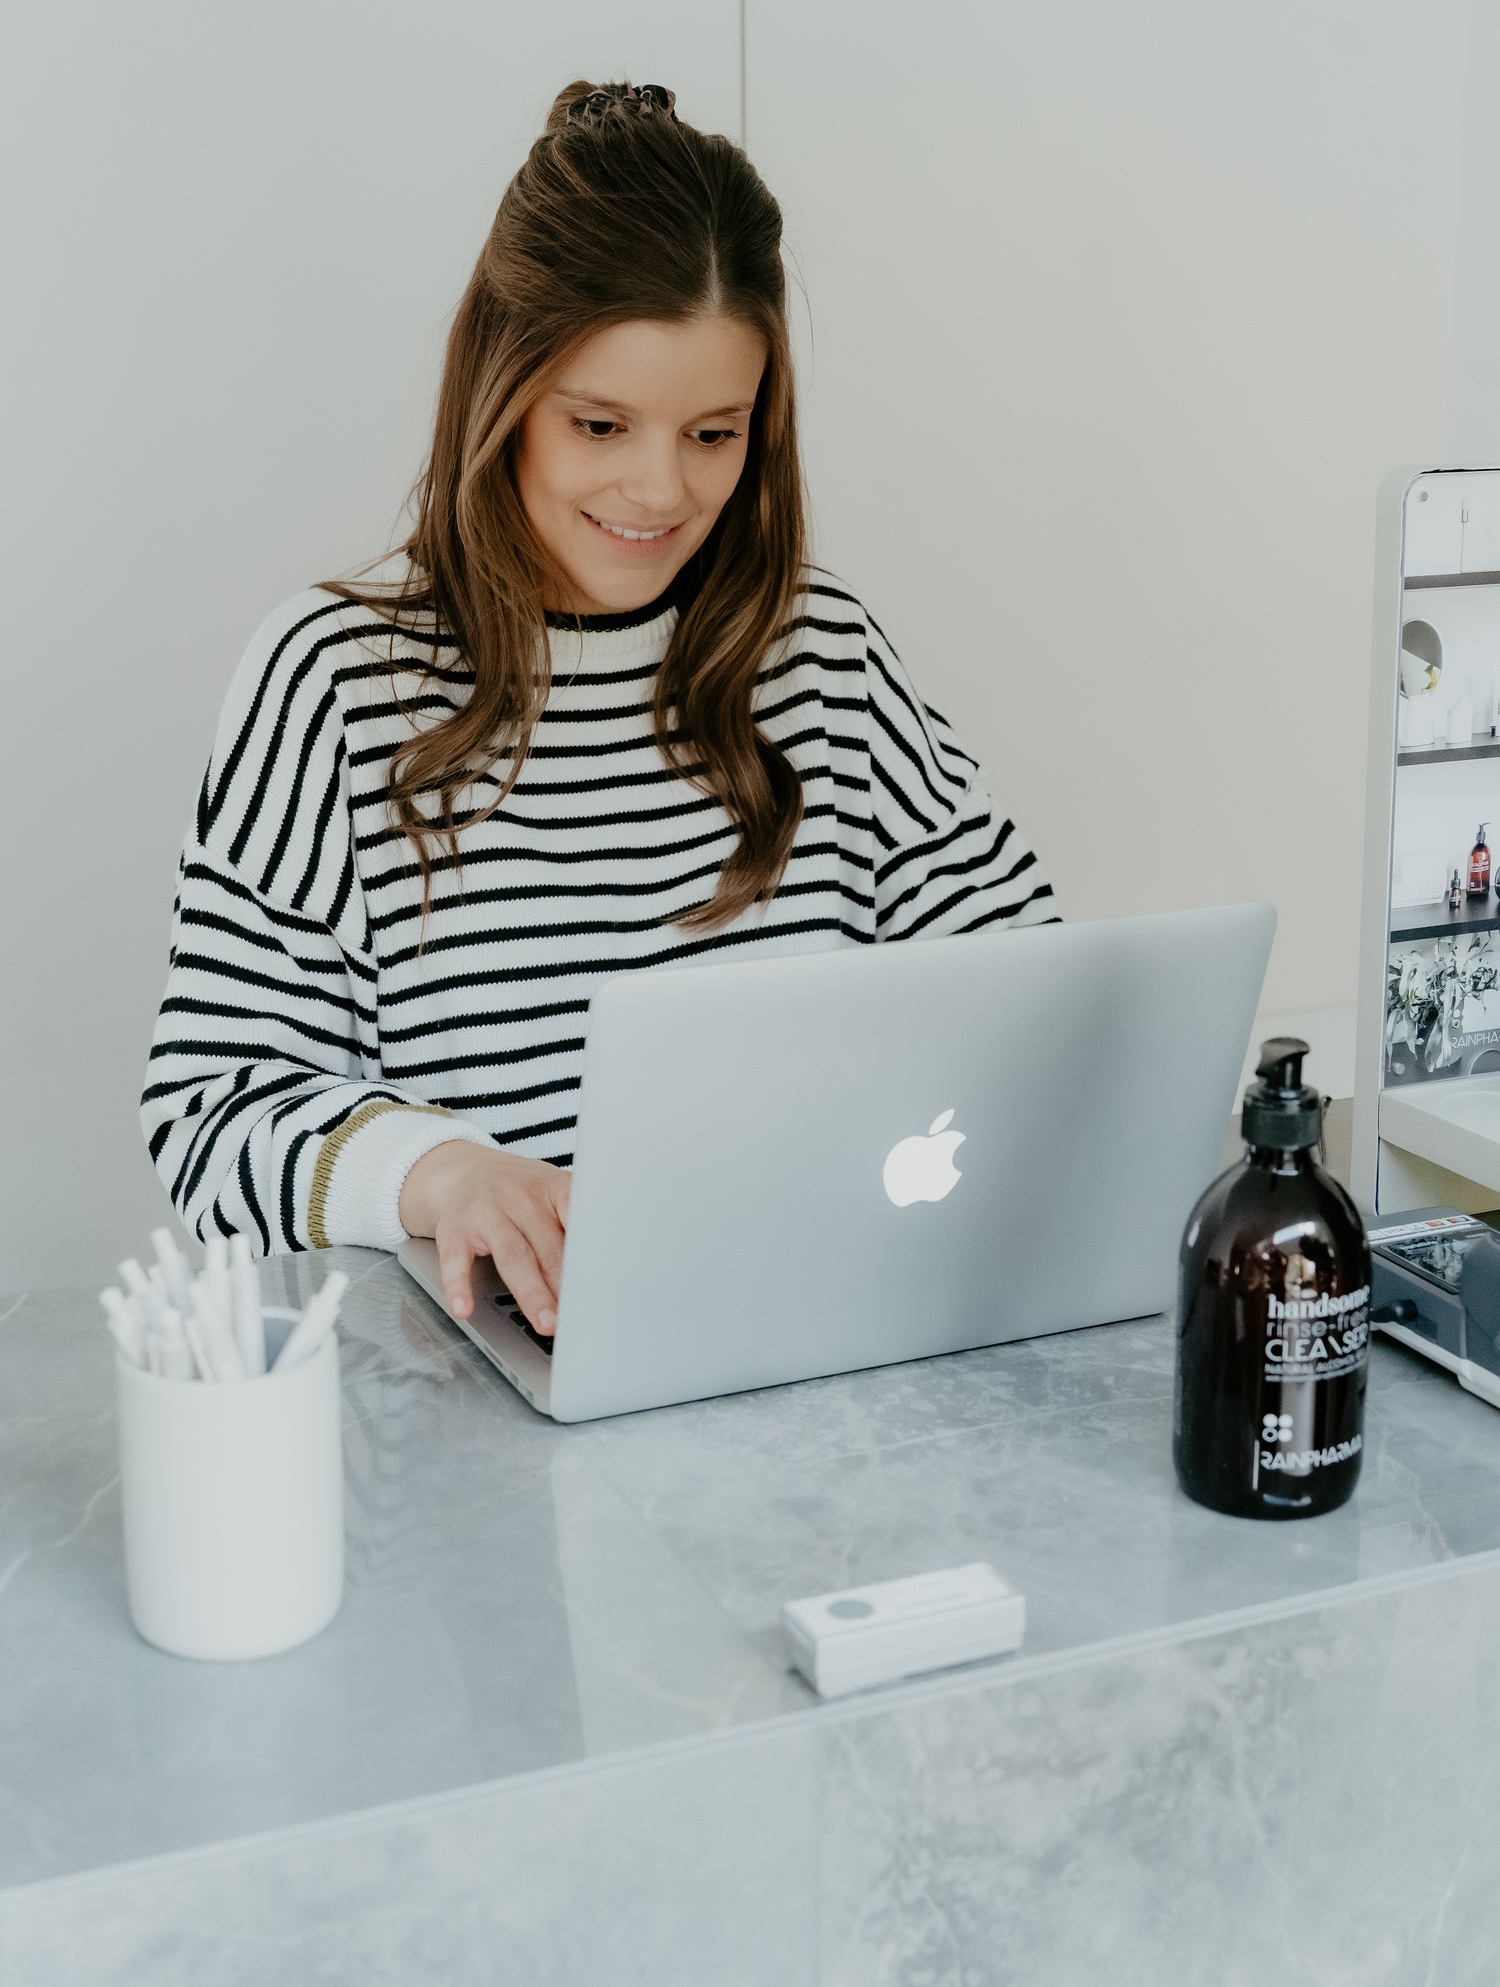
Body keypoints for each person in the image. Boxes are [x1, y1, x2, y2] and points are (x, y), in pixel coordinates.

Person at [140, 78, 1059, 1336]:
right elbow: (210, 1118)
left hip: (827, 1360)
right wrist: (439, 1173)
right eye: (600, 423)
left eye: (713, 434)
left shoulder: (822, 654)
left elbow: (1038, 999)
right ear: (502, 394)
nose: (660, 490)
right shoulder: (339, 681)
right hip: (495, 1394)